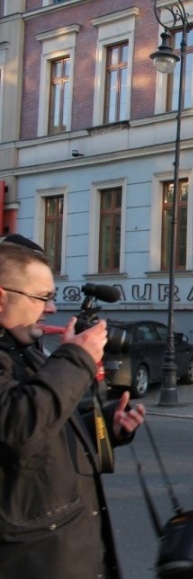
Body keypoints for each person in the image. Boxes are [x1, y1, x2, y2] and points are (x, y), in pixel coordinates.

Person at [0, 242, 146, 578]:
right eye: (42, 297)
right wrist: (77, 358)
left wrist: (107, 426)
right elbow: (16, 429)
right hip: (32, 561)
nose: (51, 309)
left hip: (67, 551)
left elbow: (46, 429)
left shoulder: (24, 350)